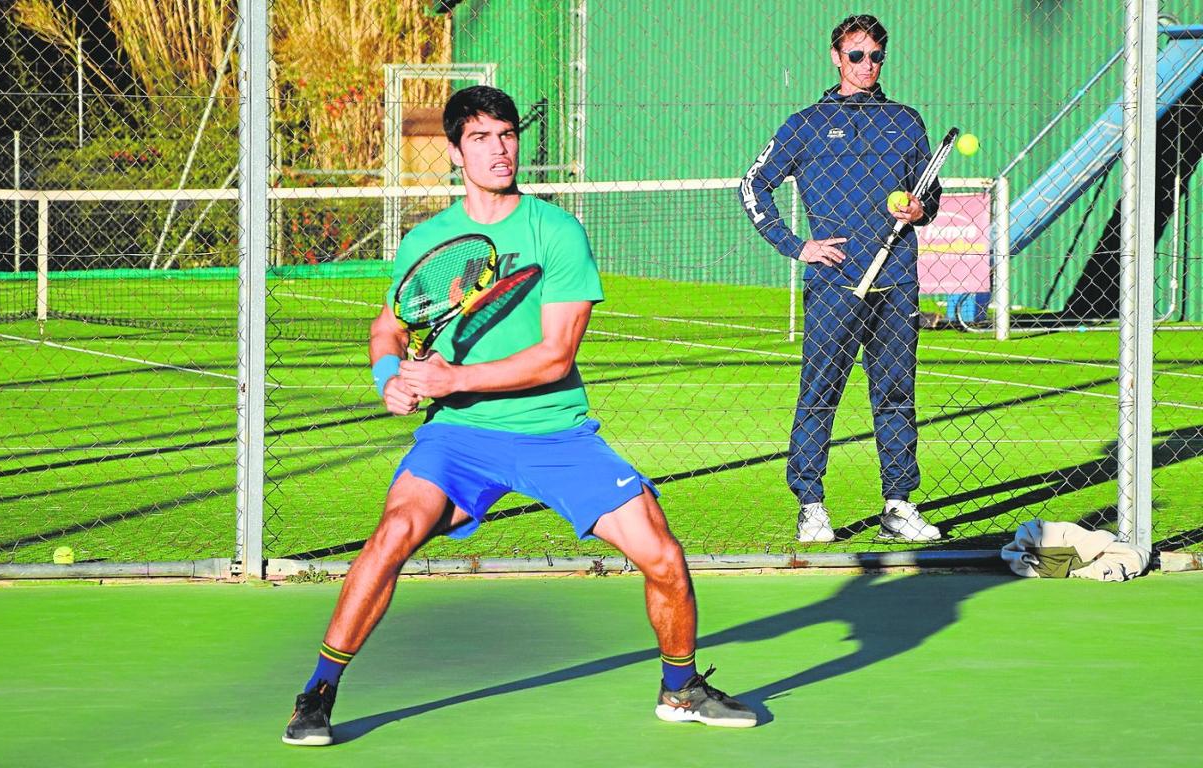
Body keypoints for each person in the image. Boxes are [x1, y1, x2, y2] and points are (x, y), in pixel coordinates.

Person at [283, 85, 755, 746]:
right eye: (481, 138)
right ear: (454, 152)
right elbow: (387, 327)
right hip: (460, 436)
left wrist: (452, 376)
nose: (500, 150)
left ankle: (680, 690)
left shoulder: (554, 231)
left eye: (506, 135)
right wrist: (389, 376)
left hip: (553, 432)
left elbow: (555, 356)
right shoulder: (429, 240)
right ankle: (318, 694)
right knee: (392, 534)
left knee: (664, 557)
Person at [738, 15, 944, 544]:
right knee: (820, 394)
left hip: (897, 281)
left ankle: (898, 505)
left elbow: (932, 195)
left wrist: (922, 208)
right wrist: (798, 245)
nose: (867, 66)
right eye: (857, 55)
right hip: (835, 285)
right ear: (836, 56)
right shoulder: (806, 123)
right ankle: (811, 505)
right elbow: (753, 186)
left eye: (875, 56)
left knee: (896, 395)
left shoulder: (906, 122)